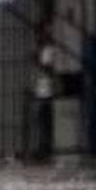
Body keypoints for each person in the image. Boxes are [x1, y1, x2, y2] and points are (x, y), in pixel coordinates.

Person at [31, 25, 57, 159]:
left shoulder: (50, 49)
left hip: (47, 91)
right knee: (41, 121)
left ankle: (46, 148)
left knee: (45, 120)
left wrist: (37, 62)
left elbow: (49, 68)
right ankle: (42, 147)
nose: (39, 36)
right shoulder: (43, 49)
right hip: (41, 89)